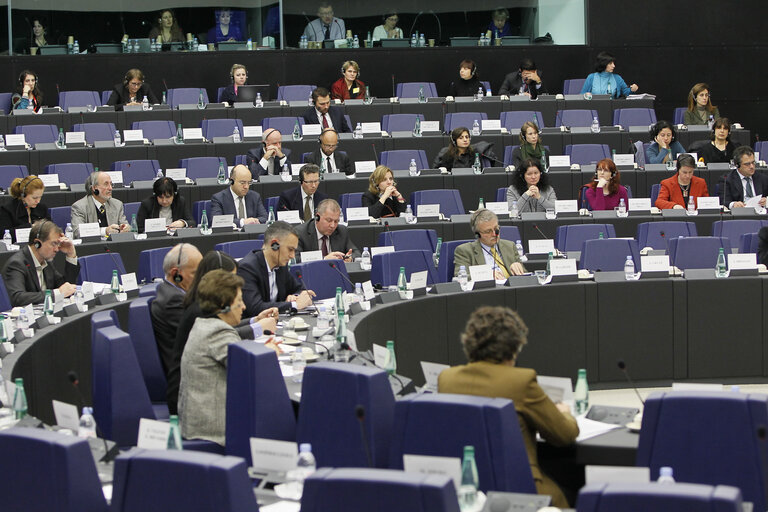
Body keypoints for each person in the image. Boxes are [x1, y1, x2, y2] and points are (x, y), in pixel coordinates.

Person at [438, 306, 578, 508]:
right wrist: (566, 414)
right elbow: (564, 434)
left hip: (471, 487)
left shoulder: (447, 378)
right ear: (514, 347)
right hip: (521, 490)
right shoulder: (521, 381)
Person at [166, 251, 279, 414]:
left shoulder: (202, 308)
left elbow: (227, 331)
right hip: (202, 409)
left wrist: (255, 320)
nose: (244, 306)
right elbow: (247, 366)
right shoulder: (202, 316)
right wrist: (268, 351)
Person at [178, 269, 246, 446]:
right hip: (212, 433)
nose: (244, 307)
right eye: (239, 301)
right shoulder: (218, 332)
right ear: (224, 304)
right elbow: (248, 371)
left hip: (194, 425)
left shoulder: (203, 324)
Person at [237, 221, 315, 316]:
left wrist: (295, 297)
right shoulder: (247, 268)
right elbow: (255, 308)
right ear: (274, 245)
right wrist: (294, 304)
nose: (292, 256)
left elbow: (299, 289)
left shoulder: (281, 265)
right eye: (290, 250)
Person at [150, 243, 203, 376]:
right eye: (196, 273)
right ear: (175, 274)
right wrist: (254, 328)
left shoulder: (173, 292)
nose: (201, 279)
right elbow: (207, 335)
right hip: (187, 376)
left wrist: (254, 321)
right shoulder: (173, 301)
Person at [2, 220, 79, 307]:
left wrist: (71, 254)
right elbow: (18, 298)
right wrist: (56, 293)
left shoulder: (46, 262)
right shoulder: (17, 264)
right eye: (54, 244)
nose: (57, 249)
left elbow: (67, 288)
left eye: (58, 244)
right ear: (37, 243)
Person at [453, 209, 526, 279]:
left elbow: (526, 275)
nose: (495, 234)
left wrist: (519, 268)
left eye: (496, 229)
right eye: (488, 231)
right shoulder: (464, 251)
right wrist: (487, 275)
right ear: (477, 235)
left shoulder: (510, 246)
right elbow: (460, 277)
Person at [70, 171, 130, 238]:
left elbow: (126, 225)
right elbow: (78, 232)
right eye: (106, 184)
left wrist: (125, 228)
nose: (110, 188)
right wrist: (105, 231)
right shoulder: (80, 207)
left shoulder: (117, 204)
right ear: (94, 188)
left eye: (111, 184)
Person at [0, 175, 49, 243]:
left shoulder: (42, 208)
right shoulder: (7, 209)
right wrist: (30, 227)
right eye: (34, 198)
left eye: (40, 197)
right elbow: (3, 234)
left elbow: (50, 228)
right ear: (23, 195)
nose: (38, 201)